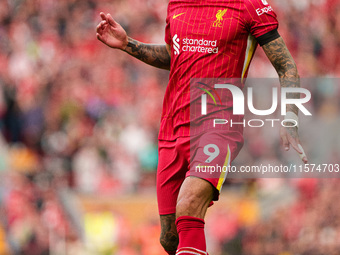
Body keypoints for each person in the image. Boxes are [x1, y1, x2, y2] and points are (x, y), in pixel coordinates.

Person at [96, 0, 308, 254]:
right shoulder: (176, 5)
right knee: (170, 239)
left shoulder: (248, 6)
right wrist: (128, 44)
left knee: (188, 205)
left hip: (218, 125)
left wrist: (290, 117)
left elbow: (286, 66)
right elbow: (175, 54)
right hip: (172, 128)